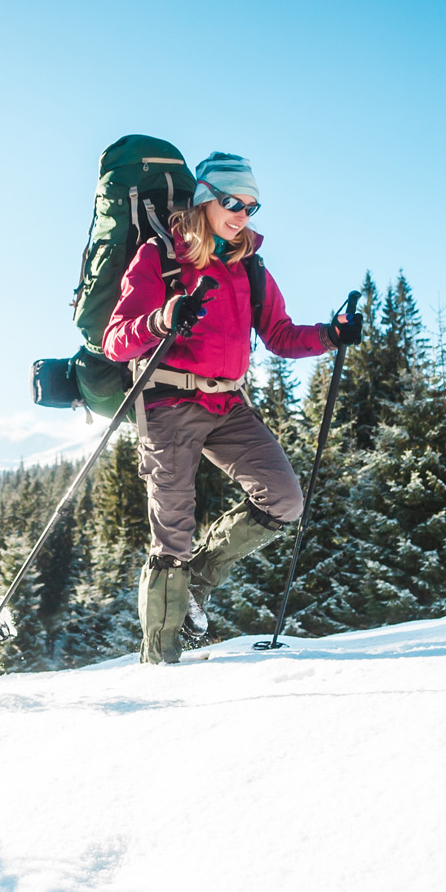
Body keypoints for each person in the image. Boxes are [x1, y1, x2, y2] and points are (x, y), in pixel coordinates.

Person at [102, 152, 360, 664]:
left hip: (227, 401)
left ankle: (200, 577)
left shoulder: (249, 266)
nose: (242, 213)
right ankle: (161, 661)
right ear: (205, 199)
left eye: (251, 205)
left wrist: (331, 336)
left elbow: (281, 335)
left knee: (285, 499)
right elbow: (115, 340)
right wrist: (161, 318)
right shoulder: (160, 257)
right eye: (232, 202)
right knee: (171, 534)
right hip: (169, 402)